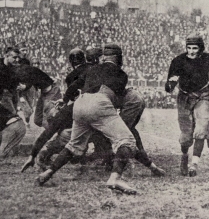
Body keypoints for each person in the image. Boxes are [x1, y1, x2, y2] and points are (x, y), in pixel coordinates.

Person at [35, 44, 165, 195]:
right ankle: (115, 178)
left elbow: (75, 85)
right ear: (118, 58)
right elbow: (116, 98)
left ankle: (48, 173)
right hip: (99, 104)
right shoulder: (121, 74)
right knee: (127, 140)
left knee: (73, 145)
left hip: (80, 104)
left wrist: (64, 100)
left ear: (104, 57)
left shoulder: (92, 69)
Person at [165, 33, 209, 177]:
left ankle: (193, 164)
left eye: (195, 48)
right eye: (189, 48)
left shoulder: (208, 59)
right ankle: (184, 157)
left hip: (203, 96)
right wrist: (171, 84)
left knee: (201, 128)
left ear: (200, 48)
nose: (191, 51)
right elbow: (169, 83)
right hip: (184, 98)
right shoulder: (178, 60)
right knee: (186, 136)